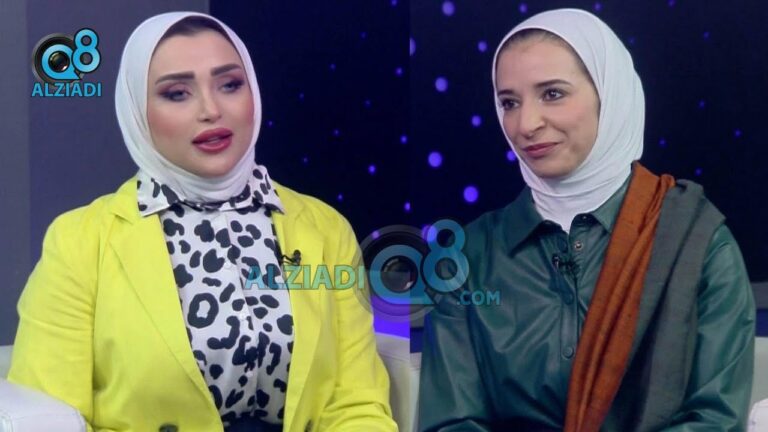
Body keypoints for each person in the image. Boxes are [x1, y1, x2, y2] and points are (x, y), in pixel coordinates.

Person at [8, 11, 397, 432]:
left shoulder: (325, 228)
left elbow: (356, 405)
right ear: (138, 112)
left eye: (230, 85)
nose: (211, 110)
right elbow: (46, 418)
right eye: (177, 93)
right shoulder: (80, 241)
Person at [418, 8, 755, 432]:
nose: (526, 124)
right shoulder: (467, 256)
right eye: (509, 102)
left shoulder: (696, 242)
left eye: (552, 94)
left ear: (609, 95)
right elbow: (450, 422)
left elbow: (714, 420)